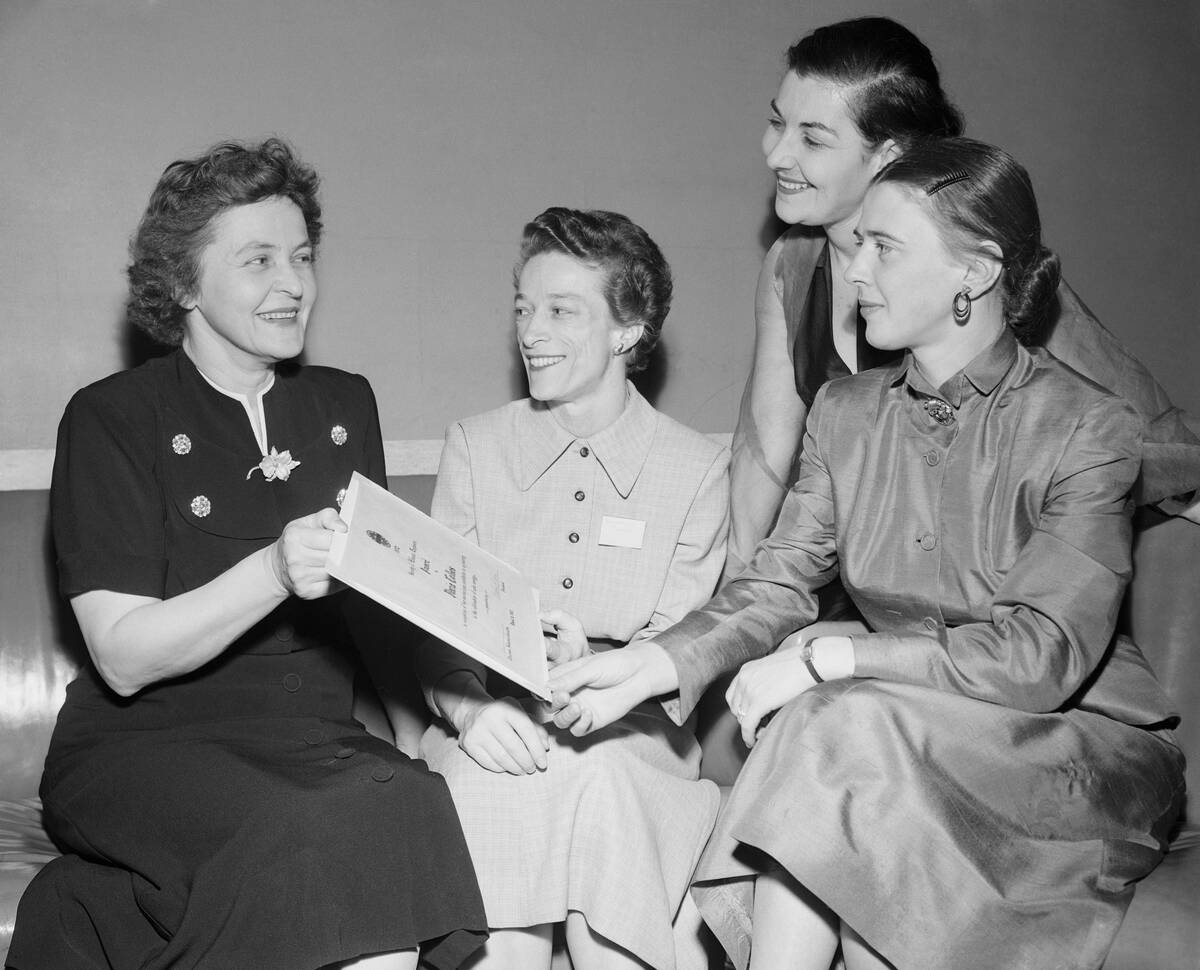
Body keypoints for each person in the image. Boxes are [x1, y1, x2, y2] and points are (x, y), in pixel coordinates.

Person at [548, 138, 1185, 970]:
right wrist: (653, 664)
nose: (854, 274)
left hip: (1077, 748)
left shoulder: (1089, 427)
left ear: (976, 271)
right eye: (857, 247)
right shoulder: (846, 412)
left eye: (885, 249)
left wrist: (833, 658)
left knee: (834, 719)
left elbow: (1041, 657)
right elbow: (777, 578)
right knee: (844, 741)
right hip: (895, 736)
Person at [7, 139, 486, 970]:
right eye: (259, 259)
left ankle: (109, 909)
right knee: (306, 829)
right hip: (145, 746)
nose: (293, 283)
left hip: (310, 740)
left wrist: (457, 711)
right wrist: (270, 571)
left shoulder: (344, 403)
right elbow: (122, 659)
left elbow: (379, 621)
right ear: (185, 284)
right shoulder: (111, 418)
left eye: (301, 256)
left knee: (407, 802)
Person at [728, 16, 1200, 578]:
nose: (776, 154)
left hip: (992, 583)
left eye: (812, 138)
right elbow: (764, 449)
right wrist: (725, 610)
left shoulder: (976, 262)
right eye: (777, 123)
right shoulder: (792, 262)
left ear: (888, 154)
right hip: (868, 568)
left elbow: (1146, 433)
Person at [416, 207, 729, 970]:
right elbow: (429, 627)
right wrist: (470, 706)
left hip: (632, 737)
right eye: (524, 308)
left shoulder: (694, 469)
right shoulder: (477, 447)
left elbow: (681, 649)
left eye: (561, 310)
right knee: (497, 783)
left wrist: (600, 670)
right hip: (492, 720)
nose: (531, 331)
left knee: (598, 784)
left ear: (629, 329)